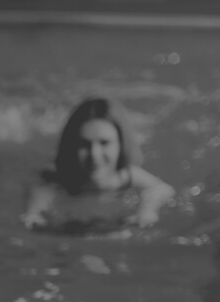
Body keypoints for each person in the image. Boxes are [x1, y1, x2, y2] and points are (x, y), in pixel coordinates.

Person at [22, 98, 175, 232]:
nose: (94, 154)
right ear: (71, 146)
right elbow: (37, 205)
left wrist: (147, 210)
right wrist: (34, 214)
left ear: (120, 145)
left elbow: (163, 189)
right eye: (84, 144)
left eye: (104, 143)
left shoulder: (126, 175)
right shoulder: (57, 179)